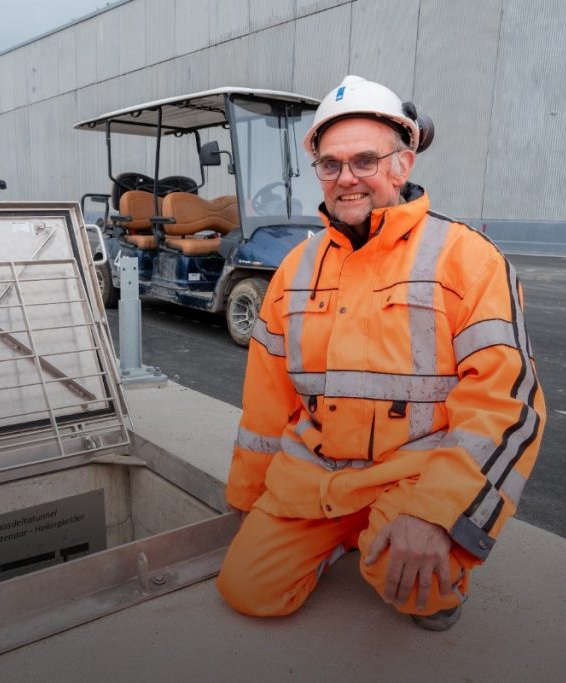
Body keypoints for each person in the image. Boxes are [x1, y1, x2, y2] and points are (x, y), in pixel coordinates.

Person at [216, 75, 546, 631]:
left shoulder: (469, 259)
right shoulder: (294, 269)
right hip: (318, 473)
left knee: (420, 594)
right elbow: (265, 404)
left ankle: (403, 540)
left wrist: (440, 516)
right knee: (247, 590)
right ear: (317, 170)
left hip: (416, 477)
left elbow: (504, 405)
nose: (348, 179)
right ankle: (343, 536)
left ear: (403, 164)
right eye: (331, 164)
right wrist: (247, 498)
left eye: (365, 160)